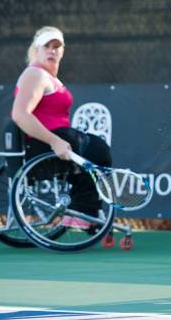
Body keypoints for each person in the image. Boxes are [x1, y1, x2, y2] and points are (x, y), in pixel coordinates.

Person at [11, 26, 112, 227]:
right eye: (46, 46)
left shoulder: (50, 78)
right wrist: (54, 141)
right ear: (36, 50)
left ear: (63, 51)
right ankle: (83, 213)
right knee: (97, 150)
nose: (52, 50)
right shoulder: (35, 75)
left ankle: (82, 211)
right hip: (44, 148)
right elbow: (19, 114)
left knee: (96, 151)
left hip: (57, 142)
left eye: (56, 46)